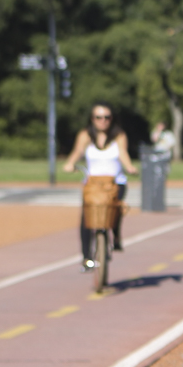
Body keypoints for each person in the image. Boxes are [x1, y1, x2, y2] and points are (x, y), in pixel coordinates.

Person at [63, 103, 137, 268]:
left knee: (115, 208)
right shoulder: (85, 135)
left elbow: (123, 153)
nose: (103, 121)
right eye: (98, 117)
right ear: (92, 119)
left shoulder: (118, 135)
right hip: (93, 184)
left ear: (112, 119)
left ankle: (116, 236)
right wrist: (70, 163)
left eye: (106, 117)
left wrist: (129, 167)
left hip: (115, 182)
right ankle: (87, 258)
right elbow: (78, 151)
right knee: (86, 217)